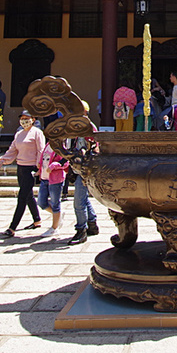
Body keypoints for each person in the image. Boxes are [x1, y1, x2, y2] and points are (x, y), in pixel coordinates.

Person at [0, 112, 45, 237]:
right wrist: (3, 160)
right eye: (22, 119)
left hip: (31, 168)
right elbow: (13, 149)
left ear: (33, 119)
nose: (24, 121)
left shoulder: (37, 133)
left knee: (22, 197)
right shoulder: (18, 134)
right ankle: (37, 219)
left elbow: (41, 150)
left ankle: (13, 227)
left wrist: (40, 167)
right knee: (28, 195)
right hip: (21, 167)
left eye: (26, 119)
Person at [68, 102, 101, 245]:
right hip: (78, 166)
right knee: (82, 197)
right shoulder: (76, 129)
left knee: (78, 201)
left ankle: (81, 229)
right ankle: (92, 223)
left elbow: (94, 149)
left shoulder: (88, 128)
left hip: (86, 168)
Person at [36, 136, 68, 237]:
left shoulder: (61, 148)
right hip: (44, 178)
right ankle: (58, 215)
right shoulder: (47, 146)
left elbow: (65, 162)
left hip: (55, 179)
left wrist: (54, 165)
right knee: (41, 202)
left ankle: (54, 228)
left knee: (55, 203)